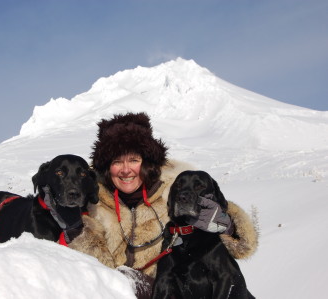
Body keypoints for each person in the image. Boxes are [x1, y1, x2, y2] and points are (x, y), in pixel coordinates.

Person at [45, 112, 258, 298]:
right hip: (117, 290)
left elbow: (237, 251)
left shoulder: (176, 189)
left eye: (134, 160)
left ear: (147, 162)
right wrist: (77, 230)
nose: (125, 170)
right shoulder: (93, 201)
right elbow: (90, 271)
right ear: (107, 167)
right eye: (117, 162)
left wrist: (227, 224)